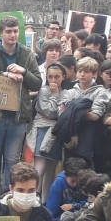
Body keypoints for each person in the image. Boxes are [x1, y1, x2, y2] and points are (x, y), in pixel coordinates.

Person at [0, 16, 42, 213]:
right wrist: (5, 76)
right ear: (1, 33)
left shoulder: (27, 54)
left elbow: (37, 83)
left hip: (17, 115)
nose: (12, 35)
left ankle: (7, 197)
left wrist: (23, 73)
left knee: (12, 160)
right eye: (8, 32)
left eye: (15, 31)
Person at [30, 63, 77, 197]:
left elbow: (63, 114)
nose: (53, 80)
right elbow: (50, 112)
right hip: (42, 129)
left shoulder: (67, 93)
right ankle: (33, 195)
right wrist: (56, 96)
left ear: (63, 77)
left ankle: (45, 201)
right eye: (50, 77)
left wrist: (59, 110)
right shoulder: (44, 90)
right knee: (40, 166)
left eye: (57, 77)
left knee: (51, 168)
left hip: (57, 133)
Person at [44, 157, 89, 221]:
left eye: (78, 181)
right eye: (72, 181)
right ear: (65, 175)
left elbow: (90, 203)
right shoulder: (58, 184)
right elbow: (51, 212)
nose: (76, 184)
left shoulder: (86, 182)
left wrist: (74, 206)